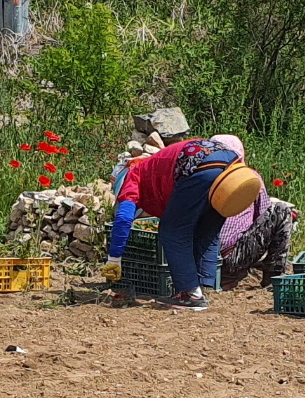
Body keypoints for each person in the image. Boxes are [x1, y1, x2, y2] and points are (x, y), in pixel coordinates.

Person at [104, 134, 261, 312]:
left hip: (199, 165)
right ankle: (202, 285)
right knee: (205, 228)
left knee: (172, 232)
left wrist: (114, 259)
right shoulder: (155, 167)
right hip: (230, 166)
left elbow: (123, 218)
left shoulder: (134, 174)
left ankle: (191, 295)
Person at [216, 182, 299, 290]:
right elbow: (263, 215)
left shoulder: (209, 177)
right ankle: (275, 278)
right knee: (281, 210)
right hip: (232, 259)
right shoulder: (252, 179)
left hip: (205, 260)